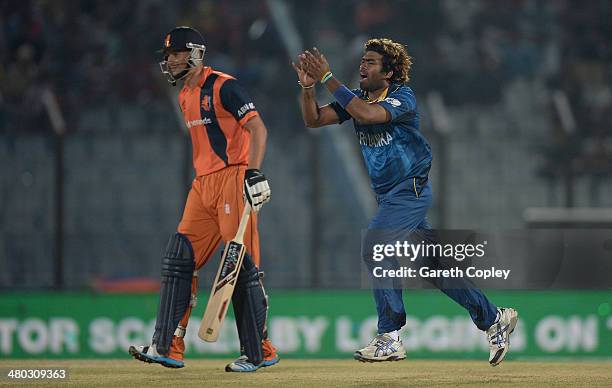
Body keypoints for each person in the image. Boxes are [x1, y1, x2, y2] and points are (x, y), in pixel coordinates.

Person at [292, 38, 518, 366]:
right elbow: (313, 120)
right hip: (389, 197)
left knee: (376, 247)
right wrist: (308, 87)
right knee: (435, 269)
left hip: (409, 191)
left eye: (370, 62)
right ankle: (494, 318)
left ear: (389, 73)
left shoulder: (402, 97)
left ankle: (390, 335)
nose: (362, 66)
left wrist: (328, 78)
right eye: (362, 60)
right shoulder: (355, 99)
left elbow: (368, 116)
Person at [129, 26, 279, 372]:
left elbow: (258, 129)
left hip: (232, 180)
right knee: (179, 258)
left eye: (175, 54)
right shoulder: (184, 95)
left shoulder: (225, 86)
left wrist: (253, 174)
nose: (169, 60)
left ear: (195, 53)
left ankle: (260, 351)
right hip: (203, 186)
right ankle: (167, 345)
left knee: (240, 267)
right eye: (167, 55)